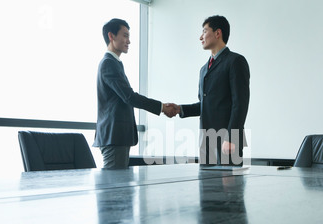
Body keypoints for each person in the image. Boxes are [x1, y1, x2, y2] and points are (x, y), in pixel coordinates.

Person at [93, 18, 179, 169]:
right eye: (125, 35)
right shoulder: (108, 63)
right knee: (115, 187)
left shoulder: (115, 63)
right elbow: (129, 97)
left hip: (117, 137)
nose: (129, 41)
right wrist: (162, 107)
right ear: (111, 36)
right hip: (114, 137)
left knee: (119, 187)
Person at [177, 15, 250, 166]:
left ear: (218, 33)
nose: (200, 37)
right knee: (206, 189)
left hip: (228, 143)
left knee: (229, 189)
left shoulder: (235, 61)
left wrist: (231, 137)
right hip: (206, 143)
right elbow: (205, 104)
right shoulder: (204, 69)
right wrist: (180, 109)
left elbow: (240, 104)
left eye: (204, 31)